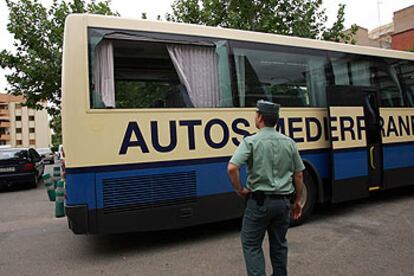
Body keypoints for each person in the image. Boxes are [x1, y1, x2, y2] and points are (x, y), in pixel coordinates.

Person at [227, 100, 305, 276]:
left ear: (260, 118)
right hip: (283, 203)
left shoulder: (251, 141)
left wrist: (240, 190)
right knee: (279, 245)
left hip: (259, 203)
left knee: (251, 244)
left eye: (256, 113)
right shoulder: (289, 142)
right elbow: (299, 174)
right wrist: (298, 201)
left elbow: (232, 168)